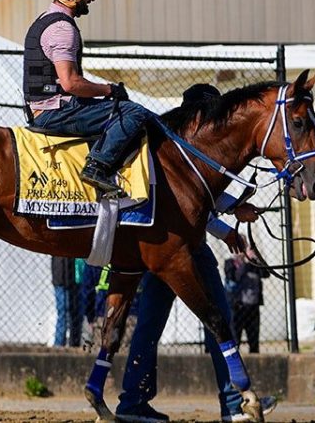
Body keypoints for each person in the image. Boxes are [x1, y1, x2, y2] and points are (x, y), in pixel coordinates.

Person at [114, 84, 275, 423]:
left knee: (149, 326)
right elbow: (194, 209)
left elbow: (204, 201)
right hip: (187, 251)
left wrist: (235, 208)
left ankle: (132, 402)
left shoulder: (174, 150)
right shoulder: (185, 151)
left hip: (161, 252)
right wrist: (227, 228)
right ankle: (233, 403)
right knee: (218, 320)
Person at [23, 0, 157, 196]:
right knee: (133, 112)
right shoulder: (62, 28)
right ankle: (97, 167)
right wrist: (110, 90)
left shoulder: (45, 20)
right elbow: (71, 83)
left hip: (48, 108)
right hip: (55, 113)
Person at [224, 251, 264, 353]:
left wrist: (256, 259)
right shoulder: (230, 263)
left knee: (254, 340)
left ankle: (254, 358)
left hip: (253, 307)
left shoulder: (253, 264)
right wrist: (244, 263)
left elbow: (265, 273)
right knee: (235, 339)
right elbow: (234, 277)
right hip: (238, 307)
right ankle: (235, 361)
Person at [50, 256, 82, 347]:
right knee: (63, 312)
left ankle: (69, 342)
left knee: (70, 312)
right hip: (61, 281)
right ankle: (59, 343)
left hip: (69, 280)